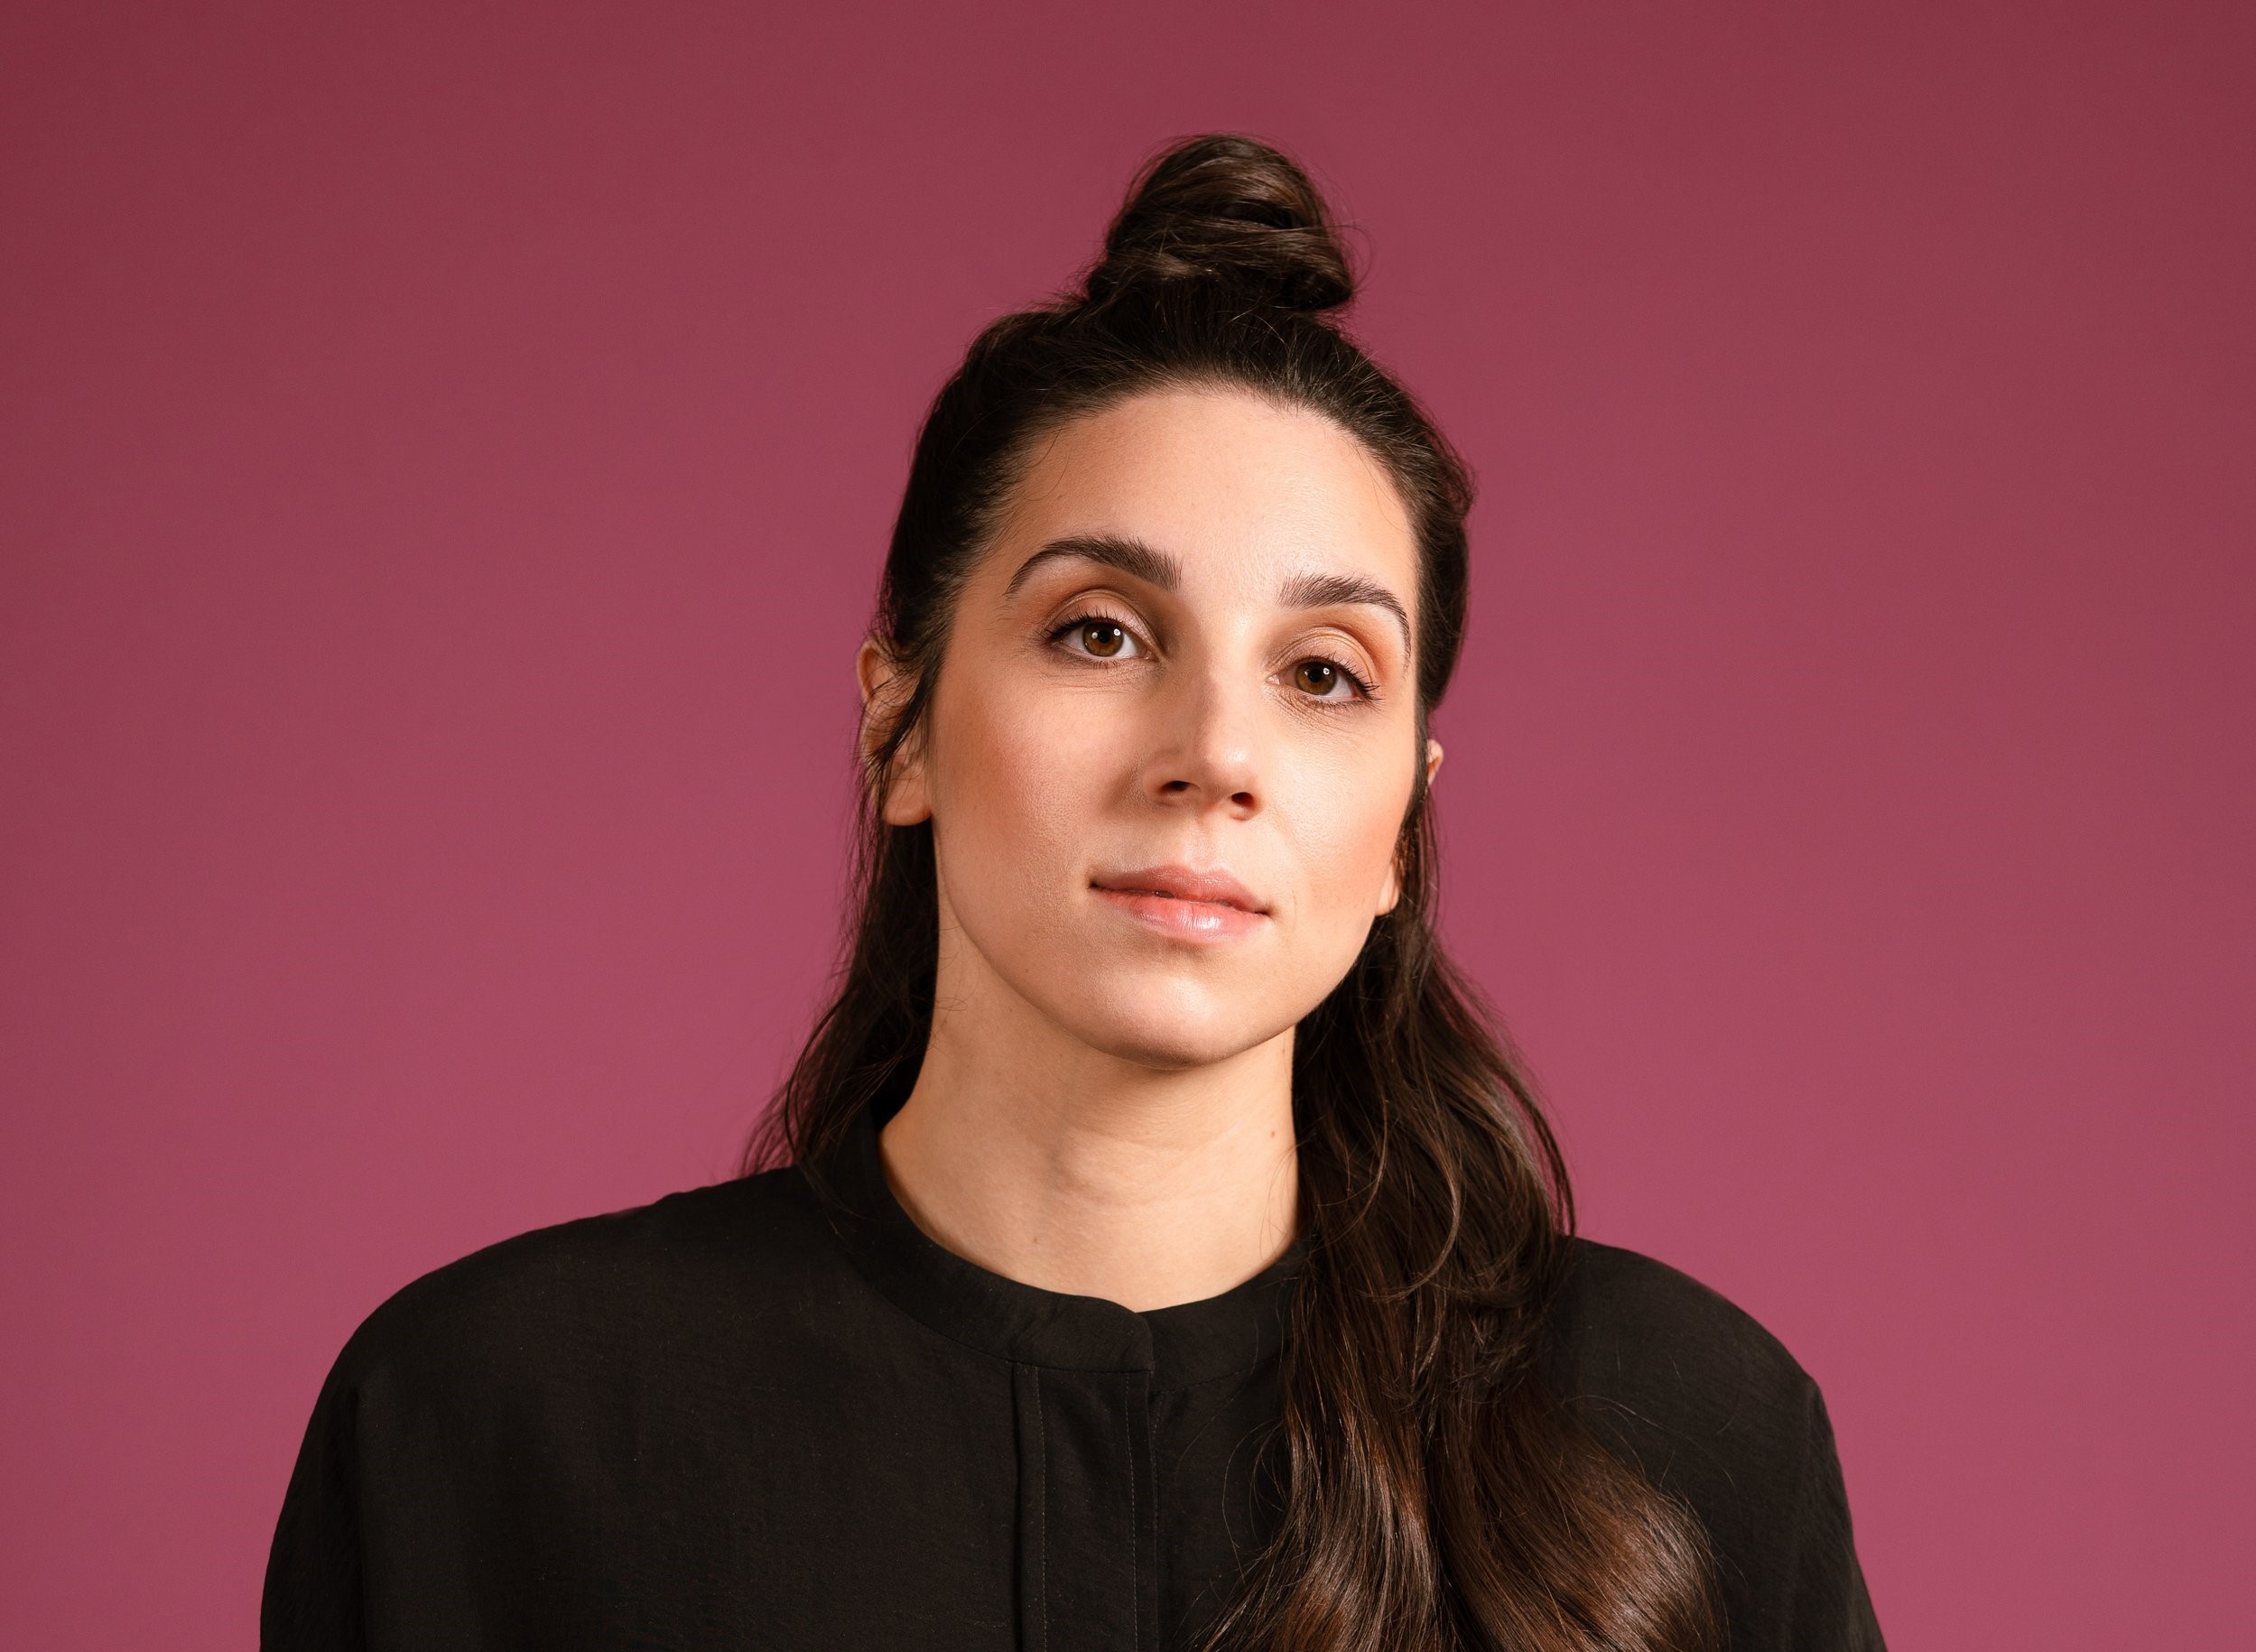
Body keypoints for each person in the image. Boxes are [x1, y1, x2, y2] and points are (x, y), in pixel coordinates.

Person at [263, 134, 1885, 1652]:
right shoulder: (486, 1421)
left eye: (1324, 672)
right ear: (900, 723)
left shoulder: (1697, 1433)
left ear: (1404, 822)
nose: (1215, 753)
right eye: (1101, 632)